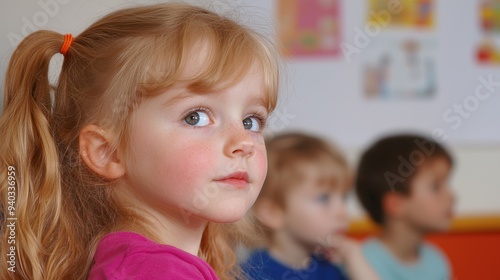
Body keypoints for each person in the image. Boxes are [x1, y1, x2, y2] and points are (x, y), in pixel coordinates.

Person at [0, 3, 279, 279]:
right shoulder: (154, 273)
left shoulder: (142, 264)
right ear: (107, 152)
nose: (244, 141)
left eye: (251, 121)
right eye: (195, 117)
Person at [242, 133, 379, 280]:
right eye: (323, 198)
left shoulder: (330, 266)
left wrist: (353, 256)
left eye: (343, 198)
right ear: (272, 213)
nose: (342, 213)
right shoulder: (252, 274)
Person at [356, 134, 455, 280]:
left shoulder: (436, 261)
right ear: (396, 204)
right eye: (436, 186)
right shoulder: (361, 262)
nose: (452, 196)